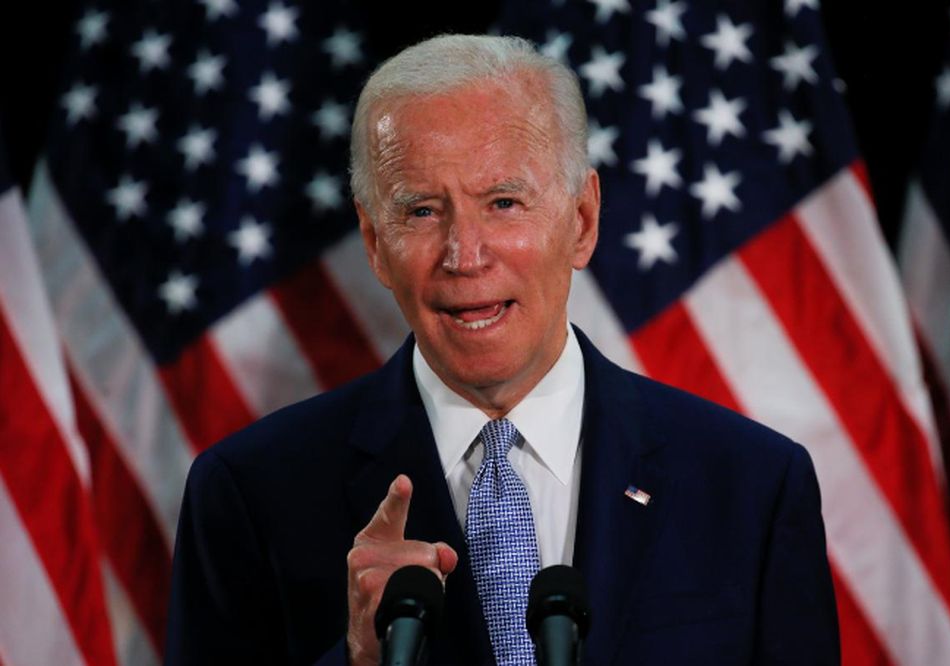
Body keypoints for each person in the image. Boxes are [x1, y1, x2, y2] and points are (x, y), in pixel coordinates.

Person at [165, 34, 839, 666]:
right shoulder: (250, 494)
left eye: (505, 203)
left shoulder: (750, 487)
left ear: (581, 221)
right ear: (374, 243)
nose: (465, 255)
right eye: (422, 211)